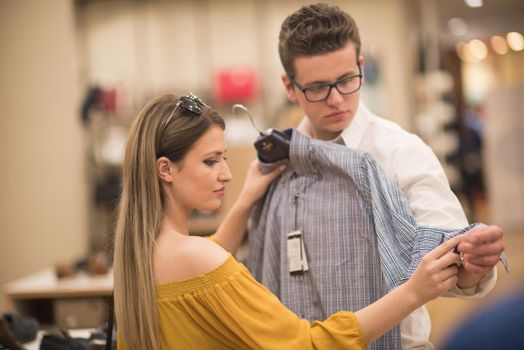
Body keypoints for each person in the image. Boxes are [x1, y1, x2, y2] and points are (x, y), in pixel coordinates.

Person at [113, 93, 464, 350]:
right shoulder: (199, 260)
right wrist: (413, 292)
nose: (226, 174)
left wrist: (245, 202)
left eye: (223, 158)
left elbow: (205, 265)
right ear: (165, 169)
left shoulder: (139, 258)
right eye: (210, 162)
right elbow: (309, 345)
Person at [248, 2, 505, 349]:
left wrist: (472, 262)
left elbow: (451, 259)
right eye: (317, 88)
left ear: (361, 67)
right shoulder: (277, 165)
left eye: (346, 81)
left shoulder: (401, 153)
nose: (336, 99)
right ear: (290, 87)